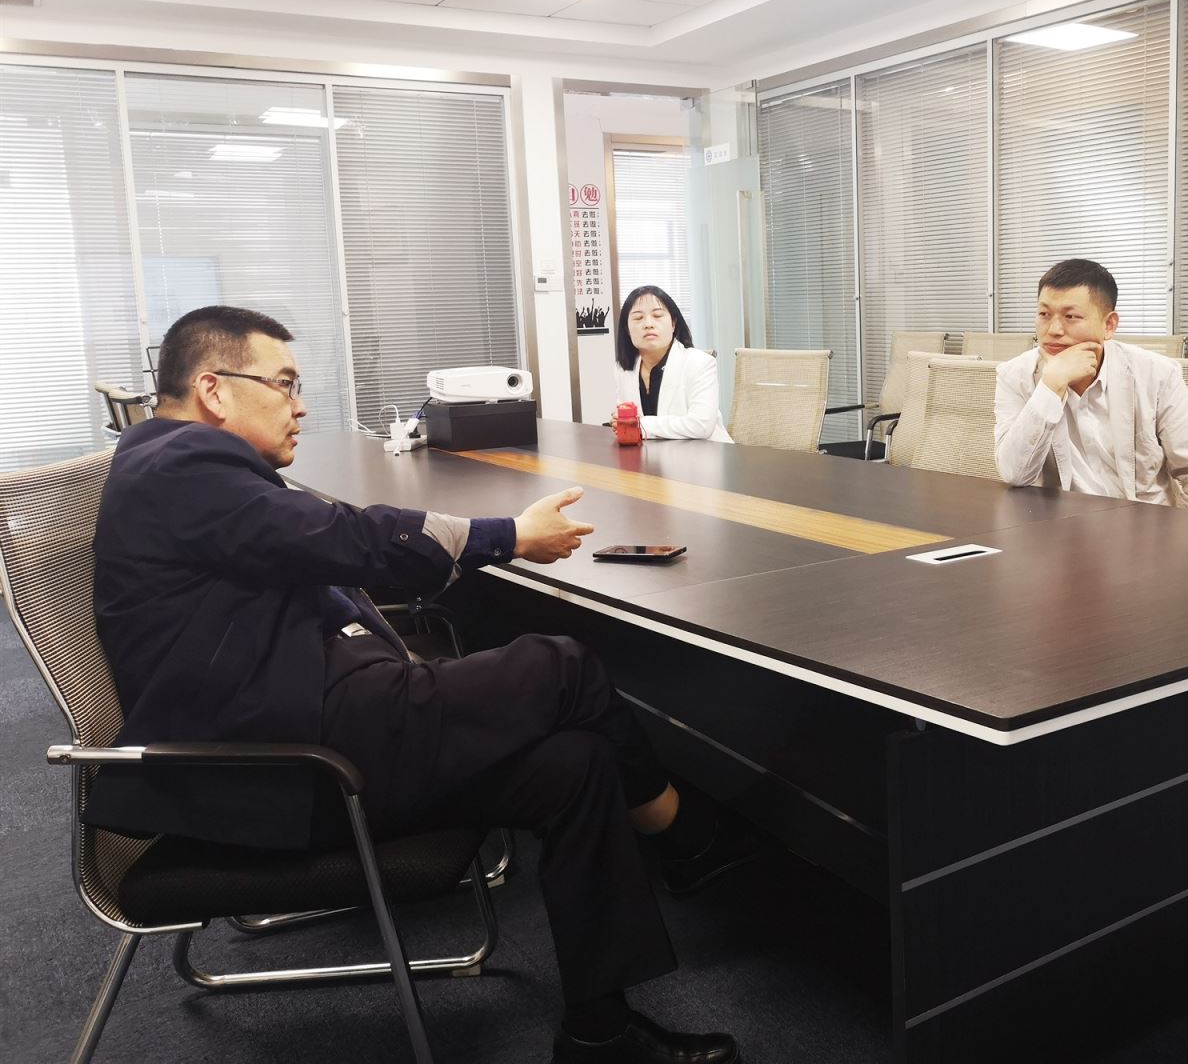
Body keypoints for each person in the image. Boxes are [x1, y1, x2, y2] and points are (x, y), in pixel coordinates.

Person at [86, 306, 741, 1063]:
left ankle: (600, 1033)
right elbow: (345, 538)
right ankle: (687, 836)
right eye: (286, 384)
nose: (300, 405)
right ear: (213, 389)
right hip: (288, 763)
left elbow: (316, 545)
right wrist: (508, 536)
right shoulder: (181, 468)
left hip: (304, 721)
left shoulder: (171, 466)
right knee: (565, 665)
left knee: (576, 764)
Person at [993, 257, 1188, 513]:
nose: (1053, 330)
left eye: (1071, 316)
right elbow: (1014, 473)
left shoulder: (1156, 374)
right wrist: (1050, 387)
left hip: (1146, 526)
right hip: (1057, 527)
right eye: (1044, 314)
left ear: (1109, 325)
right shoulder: (1015, 375)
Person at [613, 285, 732, 442]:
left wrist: (641, 424)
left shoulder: (700, 363)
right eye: (638, 318)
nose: (648, 324)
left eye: (657, 315)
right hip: (650, 454)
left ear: (673, 324)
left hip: (705, 453)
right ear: (627, 329)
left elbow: (701, 426)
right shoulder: (624, 368)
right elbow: (627, 420)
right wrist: (620, 421)